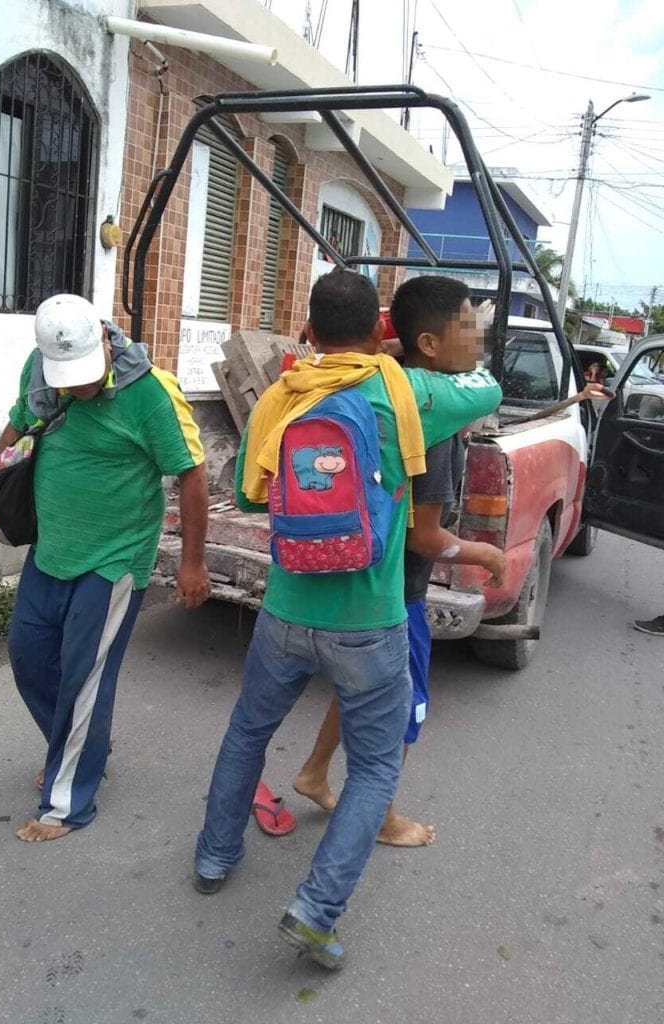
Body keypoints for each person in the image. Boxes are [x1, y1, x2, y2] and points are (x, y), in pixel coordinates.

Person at [192, 269, 502, 970]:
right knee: (374, 768)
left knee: (248, 732)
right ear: (378, 330)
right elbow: (486, 387)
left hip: (285, 609)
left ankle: (213, 857)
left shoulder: (282, 394)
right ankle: (315, 911)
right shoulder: (407, 392)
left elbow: (249, 493)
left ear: (308, 331)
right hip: (369, 621)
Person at [0, 294, 211, 843]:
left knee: (83, 680)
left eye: (84, 374)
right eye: (66, 377)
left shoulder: (149, 393)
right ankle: (84, 744)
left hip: (114, 560)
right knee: (29, 658)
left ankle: (66, 805)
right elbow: (17, 426)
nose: (75, 387)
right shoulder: (39, 370)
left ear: (105, 339)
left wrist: (192, 562)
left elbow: (192, 474)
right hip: (50, 549)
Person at [293, 277, 506, 848]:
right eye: (469, 326)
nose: (479, 337)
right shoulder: (435, 421)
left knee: (362, 687)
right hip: (399, 593)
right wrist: (483, 553)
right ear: (430, 344)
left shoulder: (386, 385)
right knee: (399, 711)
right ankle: (383, 817)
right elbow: (424, 536)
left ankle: (314, 771)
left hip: (360, 573)